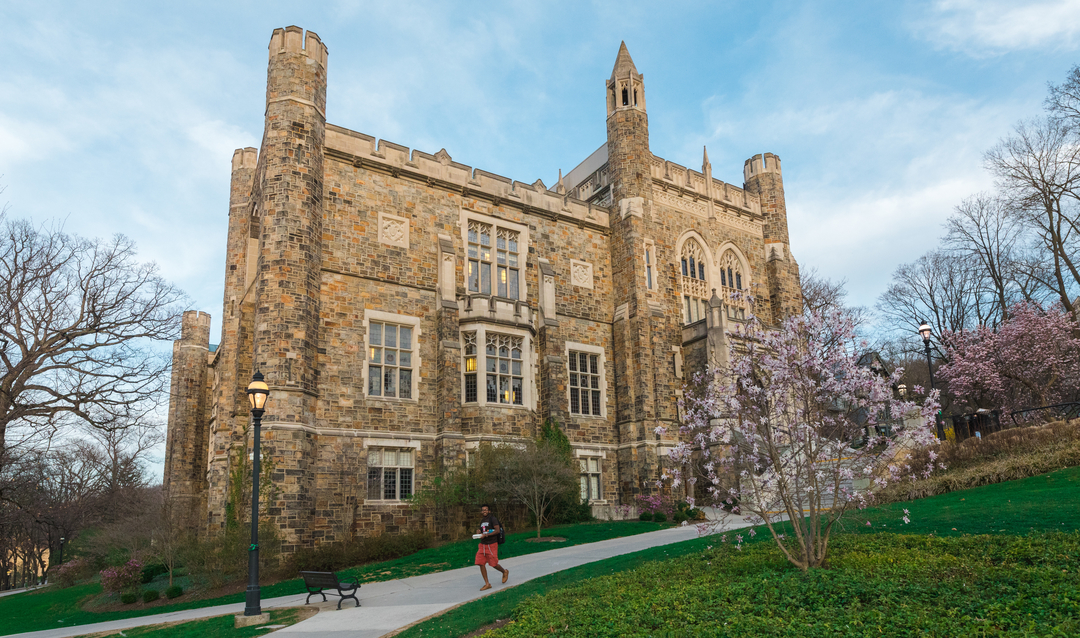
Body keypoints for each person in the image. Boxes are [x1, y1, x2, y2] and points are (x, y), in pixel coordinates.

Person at [475, 503, 508, 590]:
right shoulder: (482, 521)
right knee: (480, 563)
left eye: (486, 510)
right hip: (483, 545)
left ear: (489, 511)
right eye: (483, 510)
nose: (484, 511)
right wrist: (479, 531)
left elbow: (497, 531)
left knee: (493, 564)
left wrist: (486, 535)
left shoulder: (493, 519)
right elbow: (483, 530)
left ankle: (504, 571)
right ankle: (487, 583)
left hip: (492, 544)